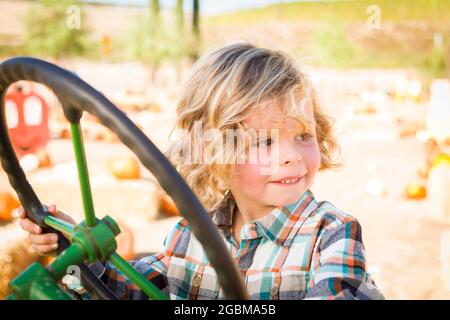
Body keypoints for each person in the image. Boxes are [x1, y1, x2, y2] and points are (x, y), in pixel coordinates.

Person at [19, 43, 384, 300]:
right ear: (213, 153)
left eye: (303, 135)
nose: (291, 156)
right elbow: (134, 289)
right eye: (265, 143)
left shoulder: (331, 235)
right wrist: (78, 251)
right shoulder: (189, 233)